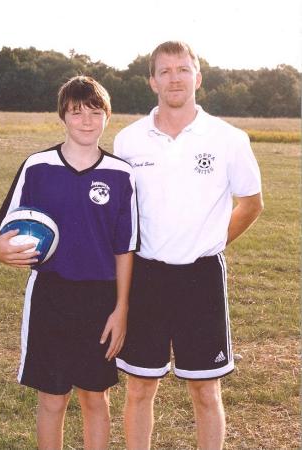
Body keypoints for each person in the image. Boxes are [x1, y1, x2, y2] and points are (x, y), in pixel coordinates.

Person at [113, 41, 263, 450]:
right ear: (152, 81)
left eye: (182, 69)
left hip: (201, 277)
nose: (174, 77)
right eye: (165, 71)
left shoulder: (228, 138)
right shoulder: (129, 140)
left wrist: (213, 240)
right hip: (147, 275)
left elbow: (252, 203)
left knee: (205, 392)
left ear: (198, 77)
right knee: (140, 388)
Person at [0, 75, 137, 450]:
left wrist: (121, 308)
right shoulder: (37, 166)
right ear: (63, 117)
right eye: (76, 112)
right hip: (50, 295)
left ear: (107, 117)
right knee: (52, 399)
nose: (86, 121)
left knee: (95, 397)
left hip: (101, 300)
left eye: (95, 112)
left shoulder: (121, 174)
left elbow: (125, 247)